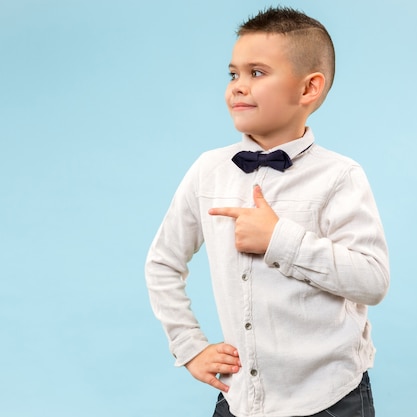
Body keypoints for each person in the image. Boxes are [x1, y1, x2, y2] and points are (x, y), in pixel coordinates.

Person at [145, 6, 389, 417]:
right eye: (233, 74)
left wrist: (280, 239)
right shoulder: (208, 171)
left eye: (256, 73)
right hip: (241, 400)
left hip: (331, 398)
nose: (238, 87)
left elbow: (372, 280)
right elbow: (162, 263)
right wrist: (189, 347)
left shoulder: (340, 176)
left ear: (308, 89)